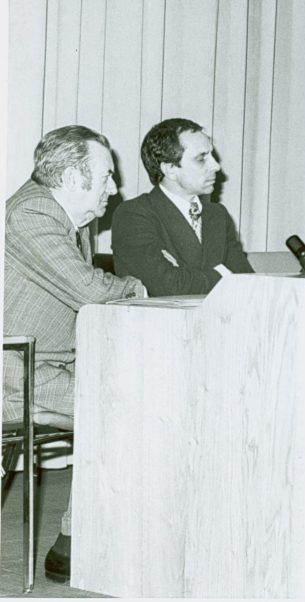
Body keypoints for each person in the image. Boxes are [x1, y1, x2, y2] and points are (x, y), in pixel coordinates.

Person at [4, 125, 147, 583]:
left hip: (42, 364)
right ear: (70, 176)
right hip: (13, 369)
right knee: (125, 408)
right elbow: (89, 290)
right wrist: (135, 287)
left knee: (134, 398)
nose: (115, 188)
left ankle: (82, 538)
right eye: (106, 176)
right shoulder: (32, 213)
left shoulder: (71, 220)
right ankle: (77, 540)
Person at [112, 118, 254, 295]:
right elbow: (170, 287)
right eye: (201, 158)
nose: (216, 166)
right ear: (170, 169)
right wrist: (223, 274)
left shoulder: (218, 215)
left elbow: (248, 284)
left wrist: (186, 275)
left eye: (212, 156)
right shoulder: (133, 214)